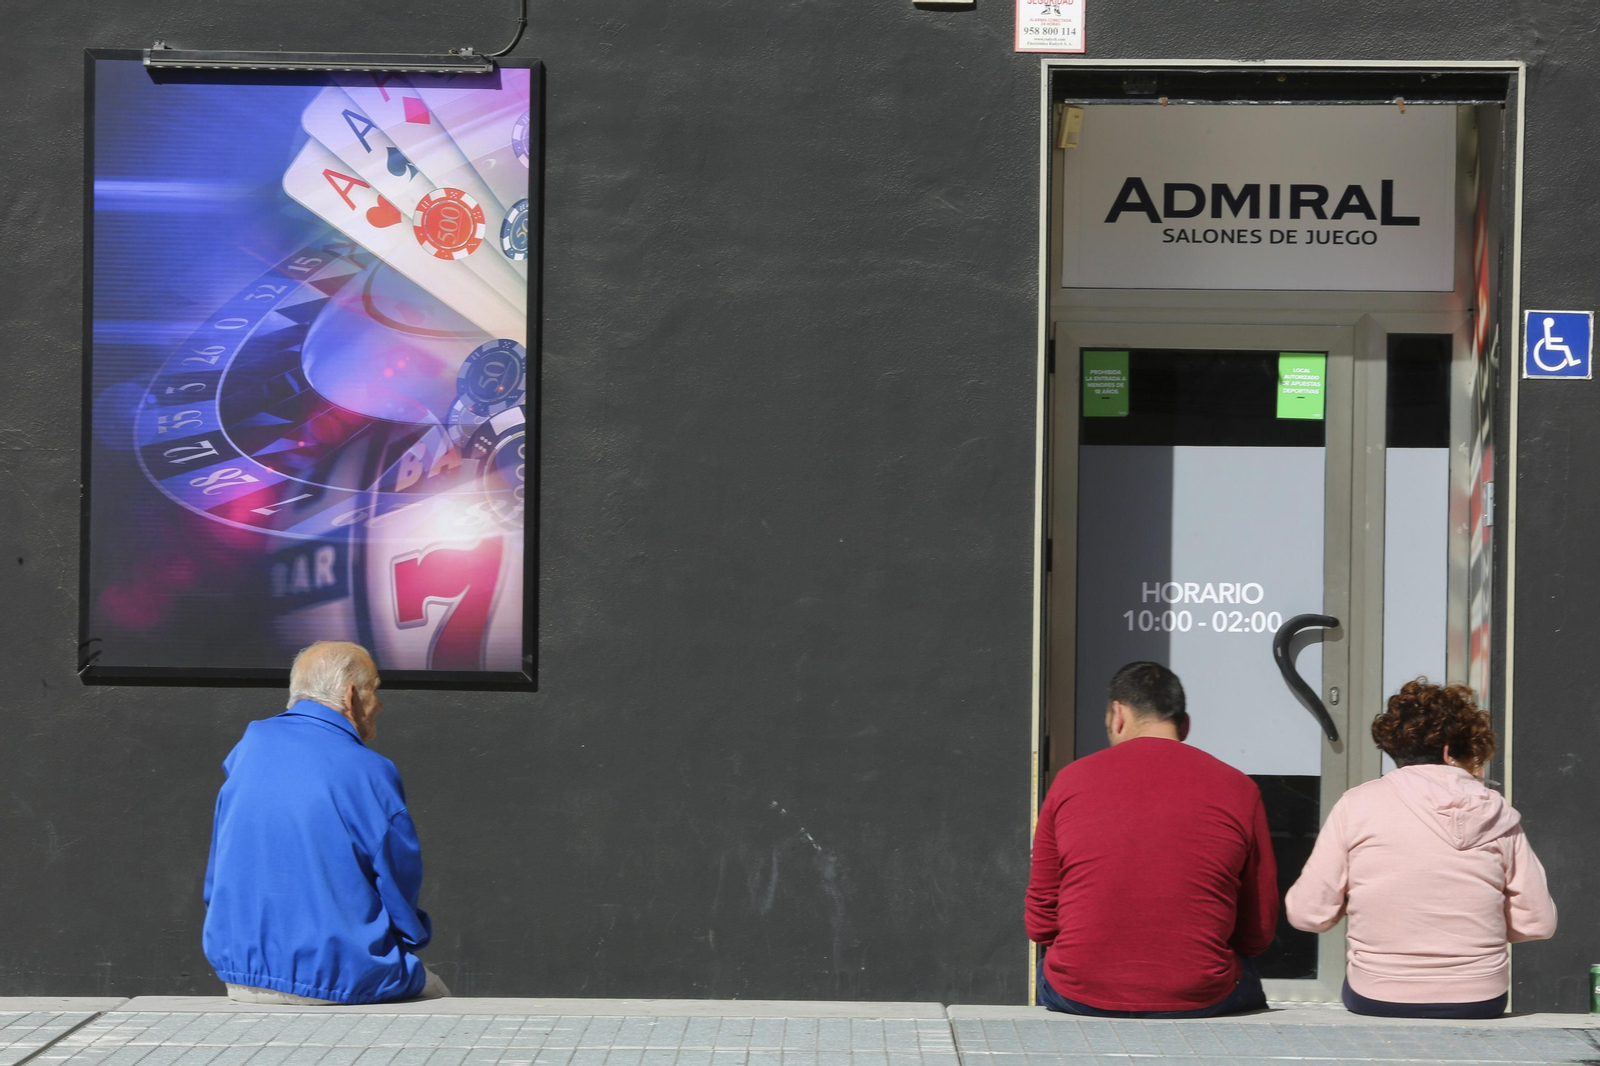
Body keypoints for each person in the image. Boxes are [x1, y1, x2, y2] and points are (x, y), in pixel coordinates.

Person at [1286, 680, 1556, 1019]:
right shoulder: (1496, 813)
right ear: (1449, 751)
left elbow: (1308, 913)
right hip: (1479, 999)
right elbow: (1537, 922)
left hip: (1377, 995)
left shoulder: (1357, 805)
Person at [202, 641, 449, 1004]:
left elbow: (217, 871)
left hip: (239, 973)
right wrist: (410, 941)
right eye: (375, 690)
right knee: (438, 995)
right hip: (340, 977)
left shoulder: (248, 750)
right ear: (350, 696)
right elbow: (399, 883)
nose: (379, 705)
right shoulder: (370, 771)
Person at [1026, 662, 1277, 1017]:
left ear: (1118, 715)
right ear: (1184, 725)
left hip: (1079, 992)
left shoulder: (1069, 781)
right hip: (1200, 994)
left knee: (1050, 971)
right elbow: (1258, 931)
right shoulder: (1240, 788)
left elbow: (1040, 923)